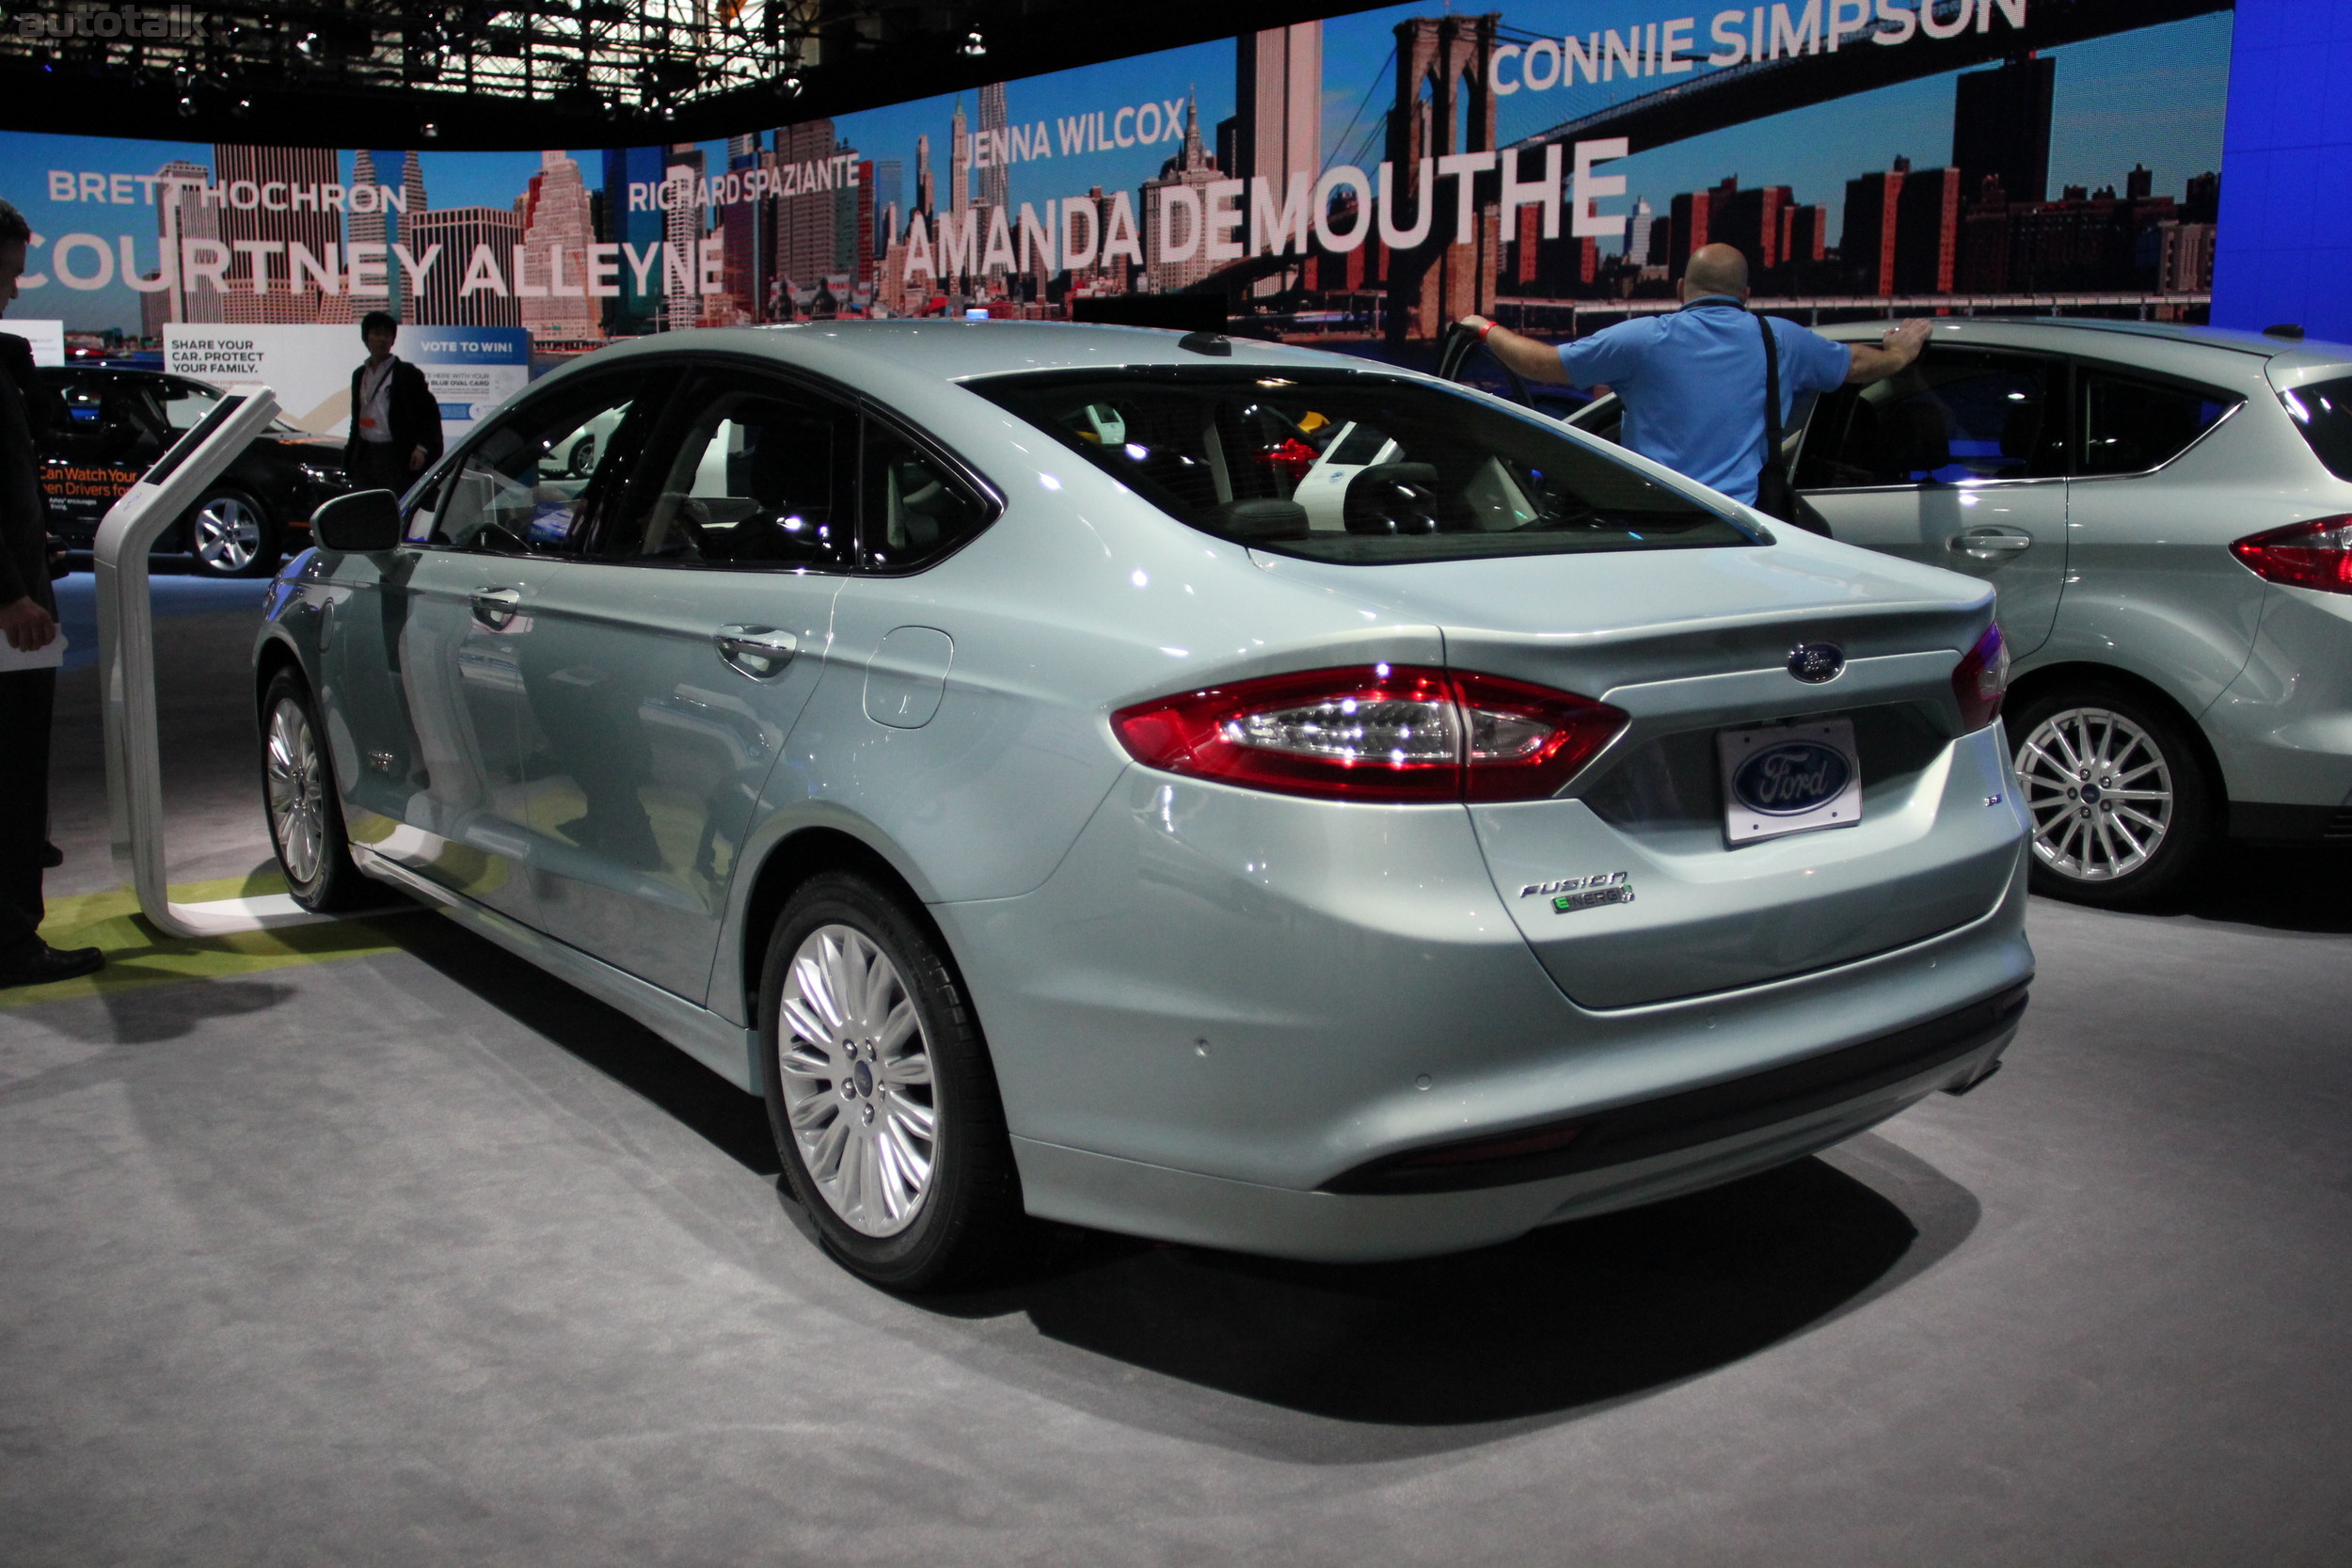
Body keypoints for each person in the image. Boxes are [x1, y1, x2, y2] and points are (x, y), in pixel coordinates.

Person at [1460, 243, 1930, 507]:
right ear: (1746, 293)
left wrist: (1483, 327)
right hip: (1742, 527)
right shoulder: (1782, 341)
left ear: (1681, 287)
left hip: (1658, 521)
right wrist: (1901, 354)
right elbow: (1858, 365)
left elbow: (1540, 364)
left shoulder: (1642, 339)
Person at [0, 197, 103, 988]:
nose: (14, 287)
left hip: (21, 583)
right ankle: (11, 940)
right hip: (10, 608)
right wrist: (10, 592)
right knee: (12, 768)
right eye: (8, 270)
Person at [344, 311, 444, 495]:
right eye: (376, 334)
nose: (382, 339)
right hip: (365, 453)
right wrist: (350, 457)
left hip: (395, 454)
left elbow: (428, 415)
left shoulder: (407, 373)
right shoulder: (359, 375)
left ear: (393, 340)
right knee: (366, 506)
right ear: (366, 338)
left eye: (387, 335)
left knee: (396, 506)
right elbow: (356, 417)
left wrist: (422, 448)